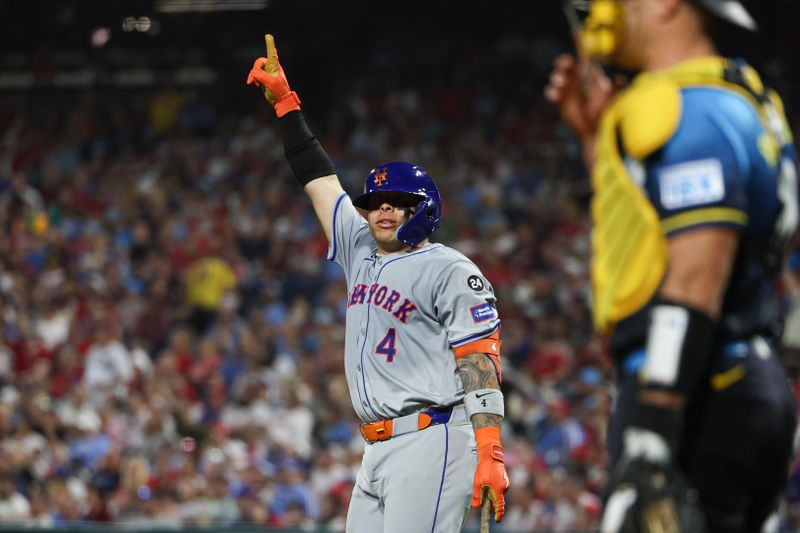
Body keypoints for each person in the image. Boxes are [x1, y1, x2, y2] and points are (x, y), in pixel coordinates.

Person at [545, 1, 798, 531]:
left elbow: (696, 273)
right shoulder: (728, 95)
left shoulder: (685, 107)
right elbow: (649, 239)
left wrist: (652, 426)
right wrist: (594, 144)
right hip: (731, 381)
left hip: (703, 391)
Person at [246, 35, 509, 533]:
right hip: (376, 448)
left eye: (396, 201)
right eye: (375, 202)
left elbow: (479, 357)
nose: (381, 209)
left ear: (421, 209)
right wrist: (286, 104)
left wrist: (490, 448)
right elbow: (318, 177)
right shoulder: (359, 246)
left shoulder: (450, 268)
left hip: (433, 438)